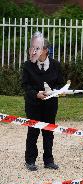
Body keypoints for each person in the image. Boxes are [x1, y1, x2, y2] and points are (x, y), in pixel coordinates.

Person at [22, 31, 64, 171]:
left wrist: (55, 91)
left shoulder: (56, 65)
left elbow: (60, 84)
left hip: (50, 105)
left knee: (48, 133)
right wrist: (36, 94)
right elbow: (25, 85)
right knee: (33, 132)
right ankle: (30, 161)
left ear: (46, 50)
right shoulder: (28, 65)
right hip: (33, 104)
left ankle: (48, 160)